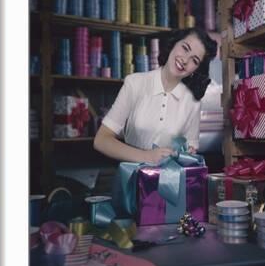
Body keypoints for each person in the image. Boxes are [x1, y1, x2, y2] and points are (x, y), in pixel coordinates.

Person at [93, 27, 218, 164]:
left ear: (196, 69)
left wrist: (186, 154)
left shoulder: (192, 102)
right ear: (173, 44)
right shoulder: (135, 83)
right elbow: (101, 140)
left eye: (194, 60)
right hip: (131, 179)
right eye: (185, 48)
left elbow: (189, 151)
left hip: (169, 182)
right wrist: (147, 156)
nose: (185, 60)